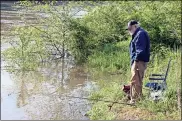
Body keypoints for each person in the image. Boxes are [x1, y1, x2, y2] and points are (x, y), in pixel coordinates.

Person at [126, 20, 150, 104]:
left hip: (138, 61)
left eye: (130, 28)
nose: (129, 30)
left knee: (135, 80)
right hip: (138, 61)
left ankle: (135, 100)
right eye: (128, 29)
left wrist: (135, 62)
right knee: (138, 80)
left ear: (135, 26)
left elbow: (140, 50)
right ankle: (138, 97)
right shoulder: (138, 34)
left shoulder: (140, 34)